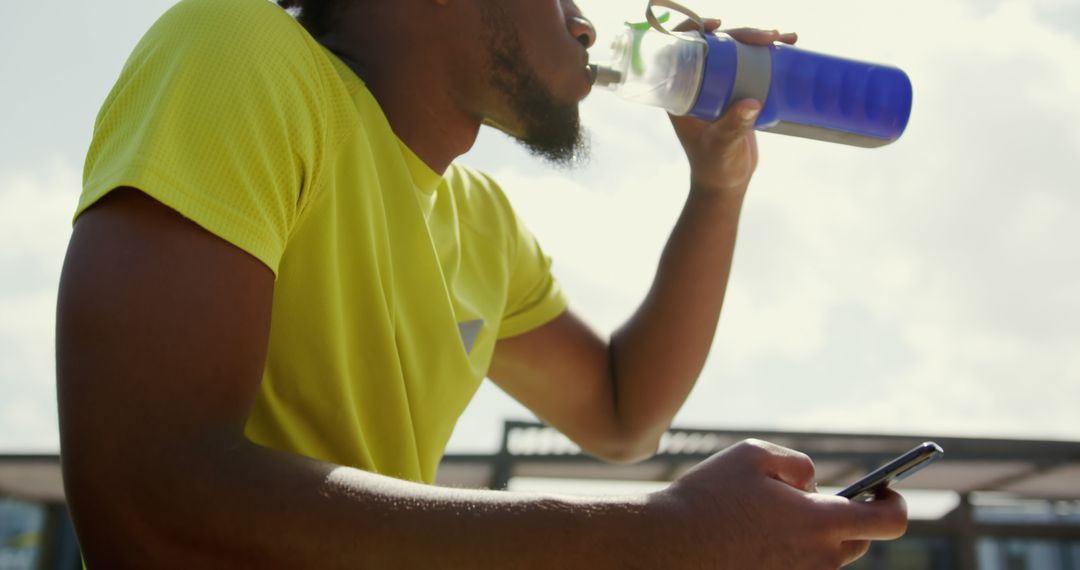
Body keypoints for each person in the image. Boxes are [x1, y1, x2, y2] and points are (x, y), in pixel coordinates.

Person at [56, 0, 908, 566]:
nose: (586, 24)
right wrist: (659, 538)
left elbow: (622, 413)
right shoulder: (237, 50)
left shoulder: (480, 219)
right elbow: (146, 497)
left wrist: (719, 184)